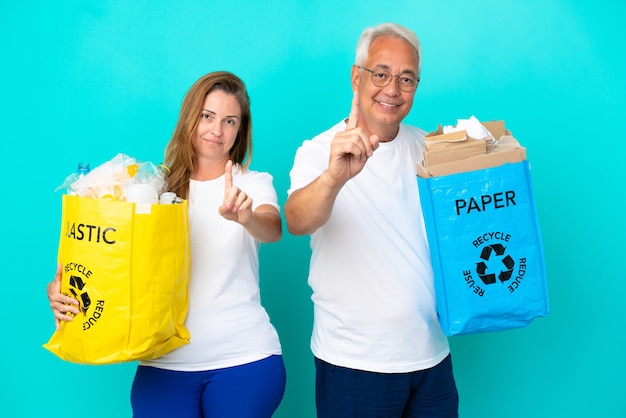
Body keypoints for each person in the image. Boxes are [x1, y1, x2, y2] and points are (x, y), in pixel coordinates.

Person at [47, 71, 286, 418]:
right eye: (207, 116)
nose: (216, 131)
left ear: (240, 130)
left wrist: (246, 217)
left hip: (244, 359)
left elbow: (272, 227)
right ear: (191, 117)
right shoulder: (153, 189)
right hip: (164, 362)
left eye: (229, 121)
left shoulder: (253, 183)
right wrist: (60, 289)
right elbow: (113, 267)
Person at [284, 23, 459, 417]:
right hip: (355, 362)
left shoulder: (430, 148)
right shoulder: (319, 151)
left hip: (431, 358)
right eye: (380, 73)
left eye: (406, 78)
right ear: (356, 76)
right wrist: (334, 177)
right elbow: (296, 219)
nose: (392, 89)